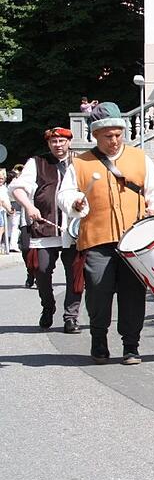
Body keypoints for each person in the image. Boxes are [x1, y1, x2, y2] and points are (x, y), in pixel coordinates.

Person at [57, 102, 154, 365]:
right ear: (95, 135)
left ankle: (131, 346)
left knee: (133, 294)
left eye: (118, 134)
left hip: (134, 242)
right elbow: (65, 194)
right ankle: (99, 340)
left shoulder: (139, 158)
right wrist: (74, 202)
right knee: (98, 291)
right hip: (97, 240)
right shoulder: (80, 163)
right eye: (108, 135)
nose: (114, 140)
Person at [9, 127, 84, 333]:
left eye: (61, 141)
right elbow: (17, 188)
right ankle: (48, 306)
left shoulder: (82, 162)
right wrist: (29, 206)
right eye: (54, 142)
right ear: (48, 144)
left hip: (73, 228)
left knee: (75, 274)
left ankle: (71, 317)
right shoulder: (37, 162)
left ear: (69, 142)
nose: (58, 145)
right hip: (45, 226)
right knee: (41, 269)